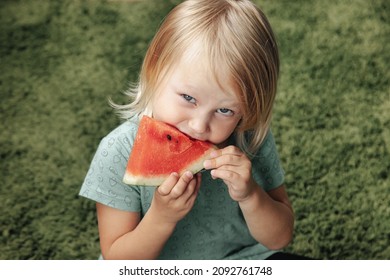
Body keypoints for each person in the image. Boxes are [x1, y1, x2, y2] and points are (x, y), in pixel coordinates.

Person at [80, 0, 298, 260]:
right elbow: (118, 261)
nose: (198, 126)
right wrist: (161, 218)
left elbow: (280, 237)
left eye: (225, 110)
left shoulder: (248, 135)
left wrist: (251, 195)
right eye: (188, 98)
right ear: (154, 70)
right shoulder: (117, 151)